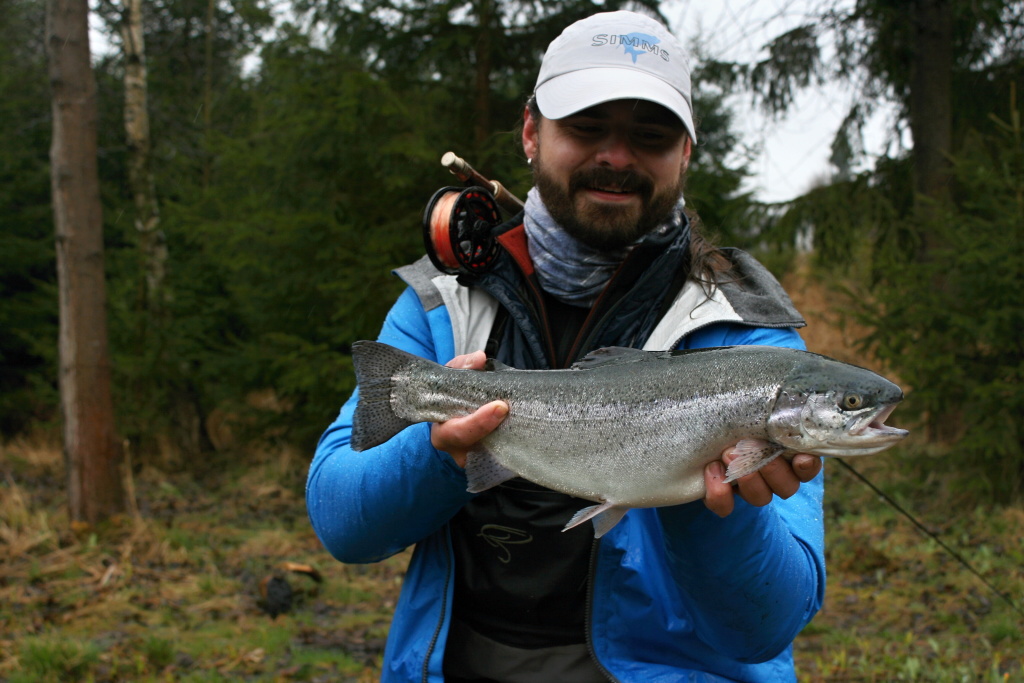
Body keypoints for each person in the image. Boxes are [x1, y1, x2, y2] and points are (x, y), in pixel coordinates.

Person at [307, 10, 825, 683]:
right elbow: (343, 523)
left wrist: (713, 499)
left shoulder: (747, 335)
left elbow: (765, 628)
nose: (616, 156)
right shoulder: (445, 305)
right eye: (586, 128)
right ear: (531, 132)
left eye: (650, 135)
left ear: (685, 153)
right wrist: (440, 450)